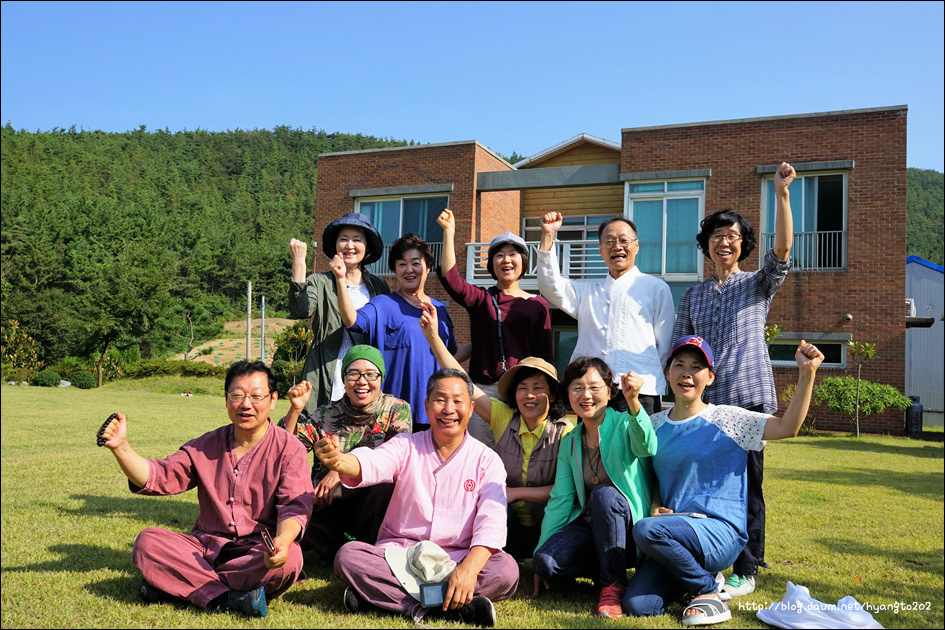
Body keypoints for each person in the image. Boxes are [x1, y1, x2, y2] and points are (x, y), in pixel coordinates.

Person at [623, 335, 824, 626]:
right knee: (638, 605)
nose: (686, 373)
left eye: (696, 367)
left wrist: (807, 374)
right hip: (673, 534)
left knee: (645, 530)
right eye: (679, 365)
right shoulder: (654, 425)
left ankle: (707, 591)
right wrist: (656, 504)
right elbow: (654, 476)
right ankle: (701, 578)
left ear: (710, 377)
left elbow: (787, 427)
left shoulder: (730, 419)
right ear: (669, 373)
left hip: (718, 532)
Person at [98, 361, 315, 618]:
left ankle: (177, 585)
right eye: (237, 395)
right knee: (148, 542)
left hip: (257, 553)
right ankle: (228, 599)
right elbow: (160, 476)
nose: (246, 404)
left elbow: (295, 505)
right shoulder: (205, 445)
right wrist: (121, 447)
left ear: (272, 400)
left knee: (290, 560)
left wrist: (283, 542)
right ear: (226, 400)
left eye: (256, 396)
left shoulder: (290, 448)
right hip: (205, 549)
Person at [672, 162, 797, 597]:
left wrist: (781, 194)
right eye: (716, 236)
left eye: (733, 236)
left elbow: (781, 251)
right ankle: (713, 556)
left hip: (749, 401)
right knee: (708, 486)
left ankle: (748, 566)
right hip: (707, 407)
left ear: (742, 246)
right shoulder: (691, 294)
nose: (724, 242)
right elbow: (678, 350)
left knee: (750, 484)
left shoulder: (756, 286)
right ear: (706, 245)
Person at [315, 368, 520, 627]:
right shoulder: (406, 445)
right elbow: (374, 461)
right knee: (349, 557)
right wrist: (341, 461)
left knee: (506, 570)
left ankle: (383, 600)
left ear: (470, 408)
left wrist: (468, 570)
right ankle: (453, 608)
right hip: (402, 556)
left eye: (457, 401)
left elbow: (492, 520)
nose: (448, 409)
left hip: (457, 558)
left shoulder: (487, 460)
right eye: (440, 399)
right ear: (426, 405)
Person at [419, 302, 571, 558]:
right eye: (523, 388)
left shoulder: (566, 432)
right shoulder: (503, 417)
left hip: (551, 525)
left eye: (538, 387)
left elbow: (565, 491)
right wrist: (434, 338)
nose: (529, 395)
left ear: (553, 395)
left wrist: (513, 493)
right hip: (507, 523)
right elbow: (462, 379)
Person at [532, 357, 657, 619]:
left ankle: (612, 585)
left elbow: (647, 446)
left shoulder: (625, 423)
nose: (585, 395)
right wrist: (540, 552)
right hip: (592, 528)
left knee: (604, 495)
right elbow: (561, 500)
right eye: (577, 387)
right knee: (546, 562)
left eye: (594, 387)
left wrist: (634, 402)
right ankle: (604, 570)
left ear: (610, 393)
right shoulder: (570, 442)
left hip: (630, 532)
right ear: (568, 394)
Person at [279, 345, 412, 565]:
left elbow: (394, 459)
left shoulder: (396, 409)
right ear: (343, 379)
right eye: (353, 374)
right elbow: (287, 453)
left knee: (386, 487)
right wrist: (294, 410)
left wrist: (340, 471)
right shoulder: (326, 414)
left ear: (381, 378)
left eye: (370, 374)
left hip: (370, 503)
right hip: (328, 501)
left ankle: (367, 549)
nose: (362, 381)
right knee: (289, 500)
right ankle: (334, 549)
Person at [435, 208, 553, 447]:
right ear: (491, 263)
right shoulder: (482, 299)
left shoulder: (538, 305)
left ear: (523, 261)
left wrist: (547, 395)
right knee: (482, 455)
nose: (506, 260)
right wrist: (449, 232)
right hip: (485, 392)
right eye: (499, 255)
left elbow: (546, 355)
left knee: (522, 454)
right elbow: (451, 279)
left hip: (525, 392)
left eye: (513, 254)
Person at [537, 213, 674, 415]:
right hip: (591, 391)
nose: (617, 246)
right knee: (592, 446)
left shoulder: (656, 288)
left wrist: (645, 378)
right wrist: (548, 235)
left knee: (638, 446)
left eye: (624, 241)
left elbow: (664, 345)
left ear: (636, 246)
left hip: (638, 390)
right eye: (609, 241)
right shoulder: (587, 292)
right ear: (600, 250)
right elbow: (550, 286)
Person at [336, 233, 457, 431]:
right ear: (395, 270)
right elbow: (351, 320)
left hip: (435, 414)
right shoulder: (383, 305)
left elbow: (449, 356)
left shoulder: (439, 310)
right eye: (402, 264)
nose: (409, 269)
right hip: (392, 416)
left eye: (415, 263)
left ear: (428, 268)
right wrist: (341, 280)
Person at [288, 212, 390, 415]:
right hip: (326, 371)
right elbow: (300, 310)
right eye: (343, 239)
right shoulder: (321, 281)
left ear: (367, 246)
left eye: (357, 240)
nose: (349, 245)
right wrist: (299, 263)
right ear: (335, 245)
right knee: (320, 433)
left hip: (365, 374)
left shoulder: (378, 286)